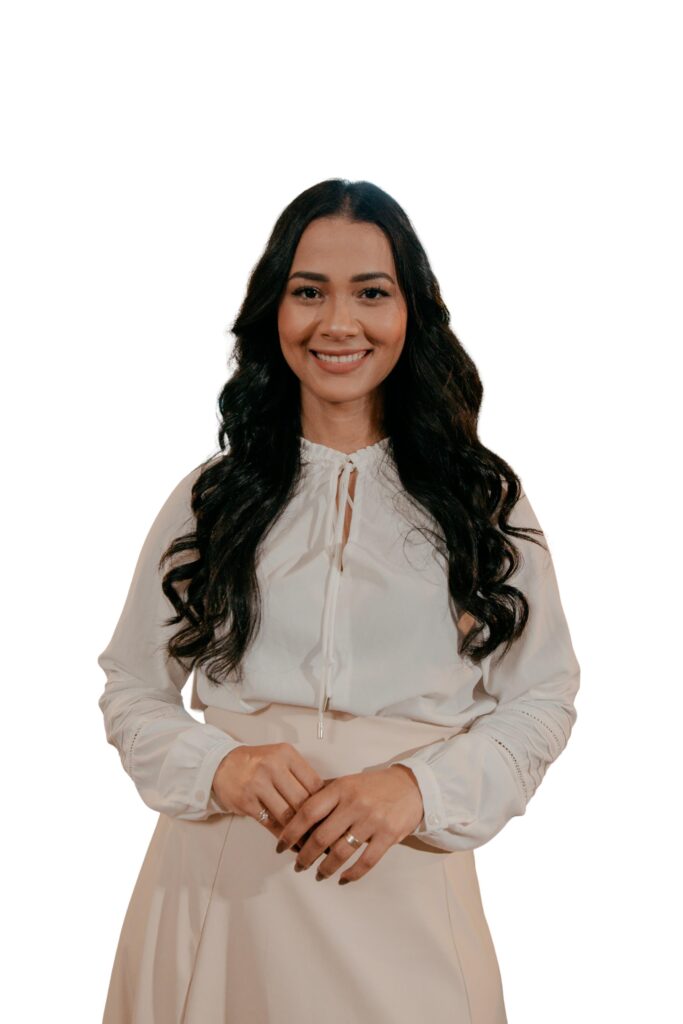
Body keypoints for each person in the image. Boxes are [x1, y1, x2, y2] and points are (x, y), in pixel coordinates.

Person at [97, 178, 581, 1023]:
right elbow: (131, 686)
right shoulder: (212, 500)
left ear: (411, 312)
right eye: (308, 292)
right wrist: (217, 767)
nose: (338, 323)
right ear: (273, 310)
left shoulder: (479, 504)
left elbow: (543, 698)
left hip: (406, 900)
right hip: (219, 901)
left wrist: (418, 789)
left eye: (371, 293)